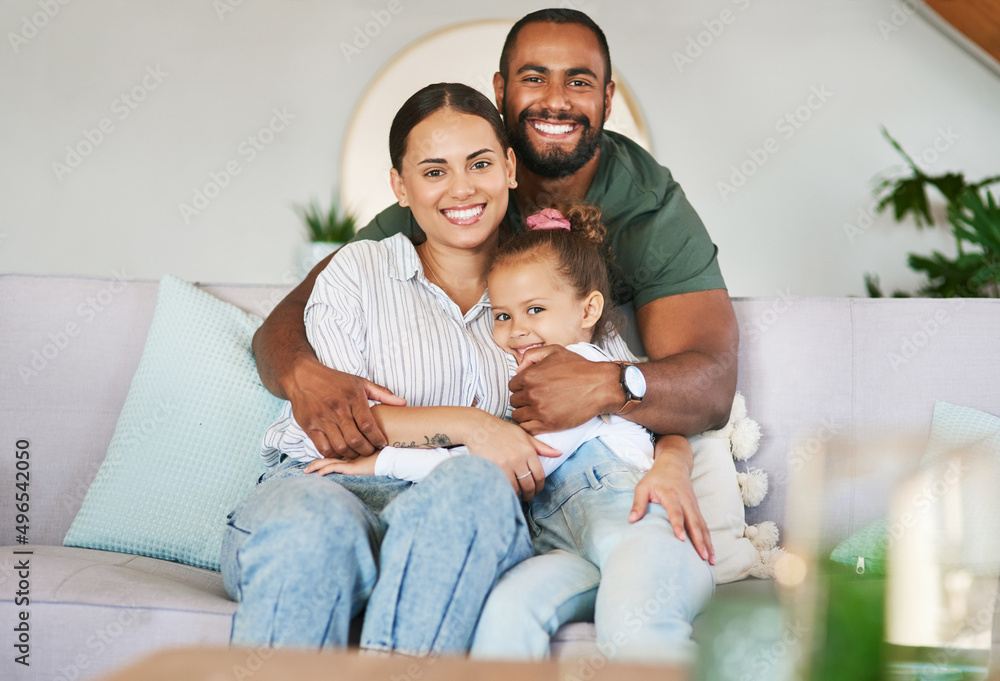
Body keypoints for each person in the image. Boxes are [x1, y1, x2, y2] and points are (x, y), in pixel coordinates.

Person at [251, 8, 738, 563]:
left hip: (537, 486)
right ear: (502, 91)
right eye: (534, 78)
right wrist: (304, 375)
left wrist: (610, 387)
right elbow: (288, 320)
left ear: (607, 98)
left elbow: (711, 386)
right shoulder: (446, 197)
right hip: (404, 482)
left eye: (578, 81)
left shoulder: (648, 209)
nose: (556, 100)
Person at [221, 83, 564, 654]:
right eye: (434, 172)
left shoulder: (546, 291)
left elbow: (603, 396)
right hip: (320, 487)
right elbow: (342, 429)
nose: (461, 188)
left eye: (479, 163)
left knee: (473, 487)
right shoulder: (360, 269)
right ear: (400, 188)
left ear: (508, 167)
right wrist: (477, 426)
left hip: (455, 514)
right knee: (313, 529)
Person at [307, 204, 714, 663]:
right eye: (502, 316)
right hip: (568, 548)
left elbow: (501, 467)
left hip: (643, 537)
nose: (517, 331)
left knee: (636, 630)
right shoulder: (533, 385)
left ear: (590, 309)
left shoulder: (584, 373)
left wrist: (378, 462)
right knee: (505, 618)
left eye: (535, 310)